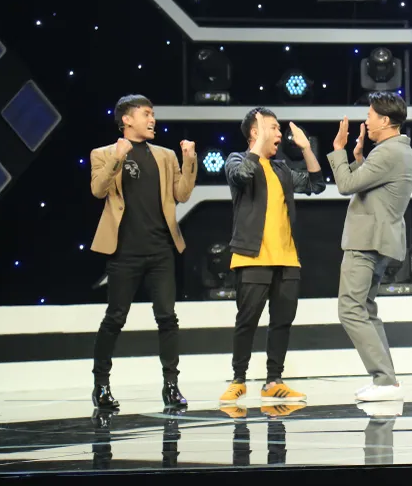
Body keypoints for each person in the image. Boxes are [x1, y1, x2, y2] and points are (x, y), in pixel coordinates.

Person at [89, 94, 198, 410]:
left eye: (153, 114)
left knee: (167, 318)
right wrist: (118, 157)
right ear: (127, 119)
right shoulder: (103, 153)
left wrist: (189, 160)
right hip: (124, 252)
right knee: (115, 318)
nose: (153, 120)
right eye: (146, 114)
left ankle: (171, 386)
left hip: (161, 250)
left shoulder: (165, 155)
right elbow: (98, 190)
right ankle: (101, 385)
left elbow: (182, 194)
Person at [219, 108, 327, 405]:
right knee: (247, 321)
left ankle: (274, 381)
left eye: (279, 129)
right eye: (273, 128)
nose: (280, 134)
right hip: (252, 257)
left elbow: (316, 184)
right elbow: (243, 176)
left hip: (287, 259)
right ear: (255, 132)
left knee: (282, 322)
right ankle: (238, 380)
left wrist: (306, 149)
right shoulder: (237, 160)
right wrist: (258, 143)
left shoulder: (282, 169)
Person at [328, 92, 412, 403]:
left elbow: (346, 185)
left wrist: (338, 150)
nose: (366, 122)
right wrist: (358, 160)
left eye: (370, 116)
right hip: (379, 240)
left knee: (350, 309)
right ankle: (386, 380)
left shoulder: (388, 152)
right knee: (365, 308)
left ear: (384, 120)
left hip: (366, 241)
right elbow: (372, 186)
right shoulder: (400, 151)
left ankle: (384, 379)